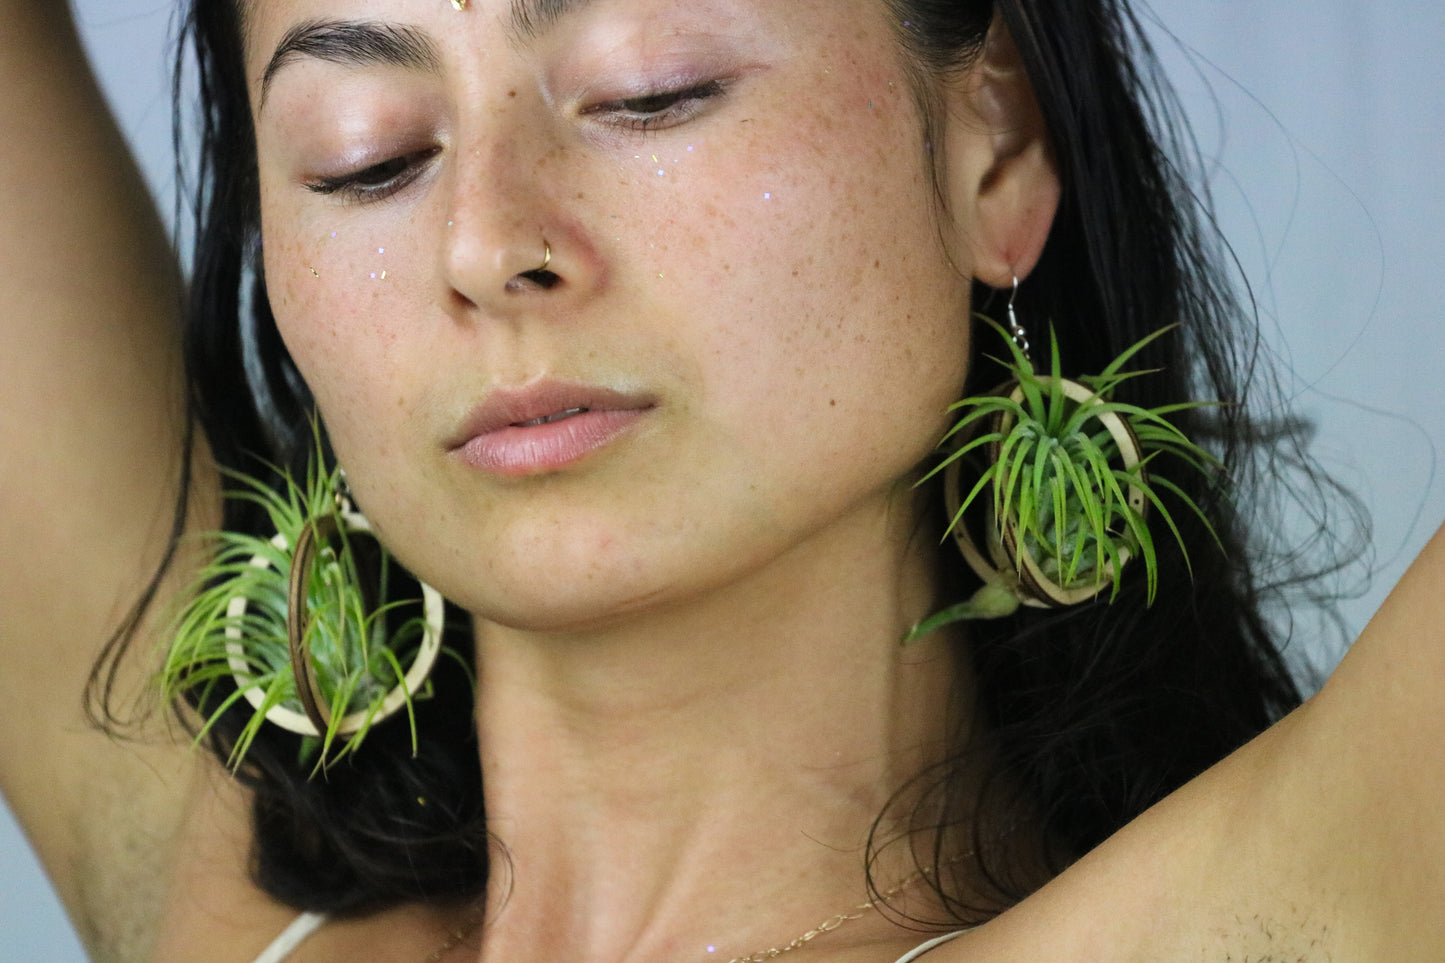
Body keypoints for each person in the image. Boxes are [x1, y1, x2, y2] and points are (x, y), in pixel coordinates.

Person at [1, 0, 1442, 961]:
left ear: (993, 141)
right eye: (366, 160)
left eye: (650, 90)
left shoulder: (1285, 908)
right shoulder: (206, 885)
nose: (487, 241)